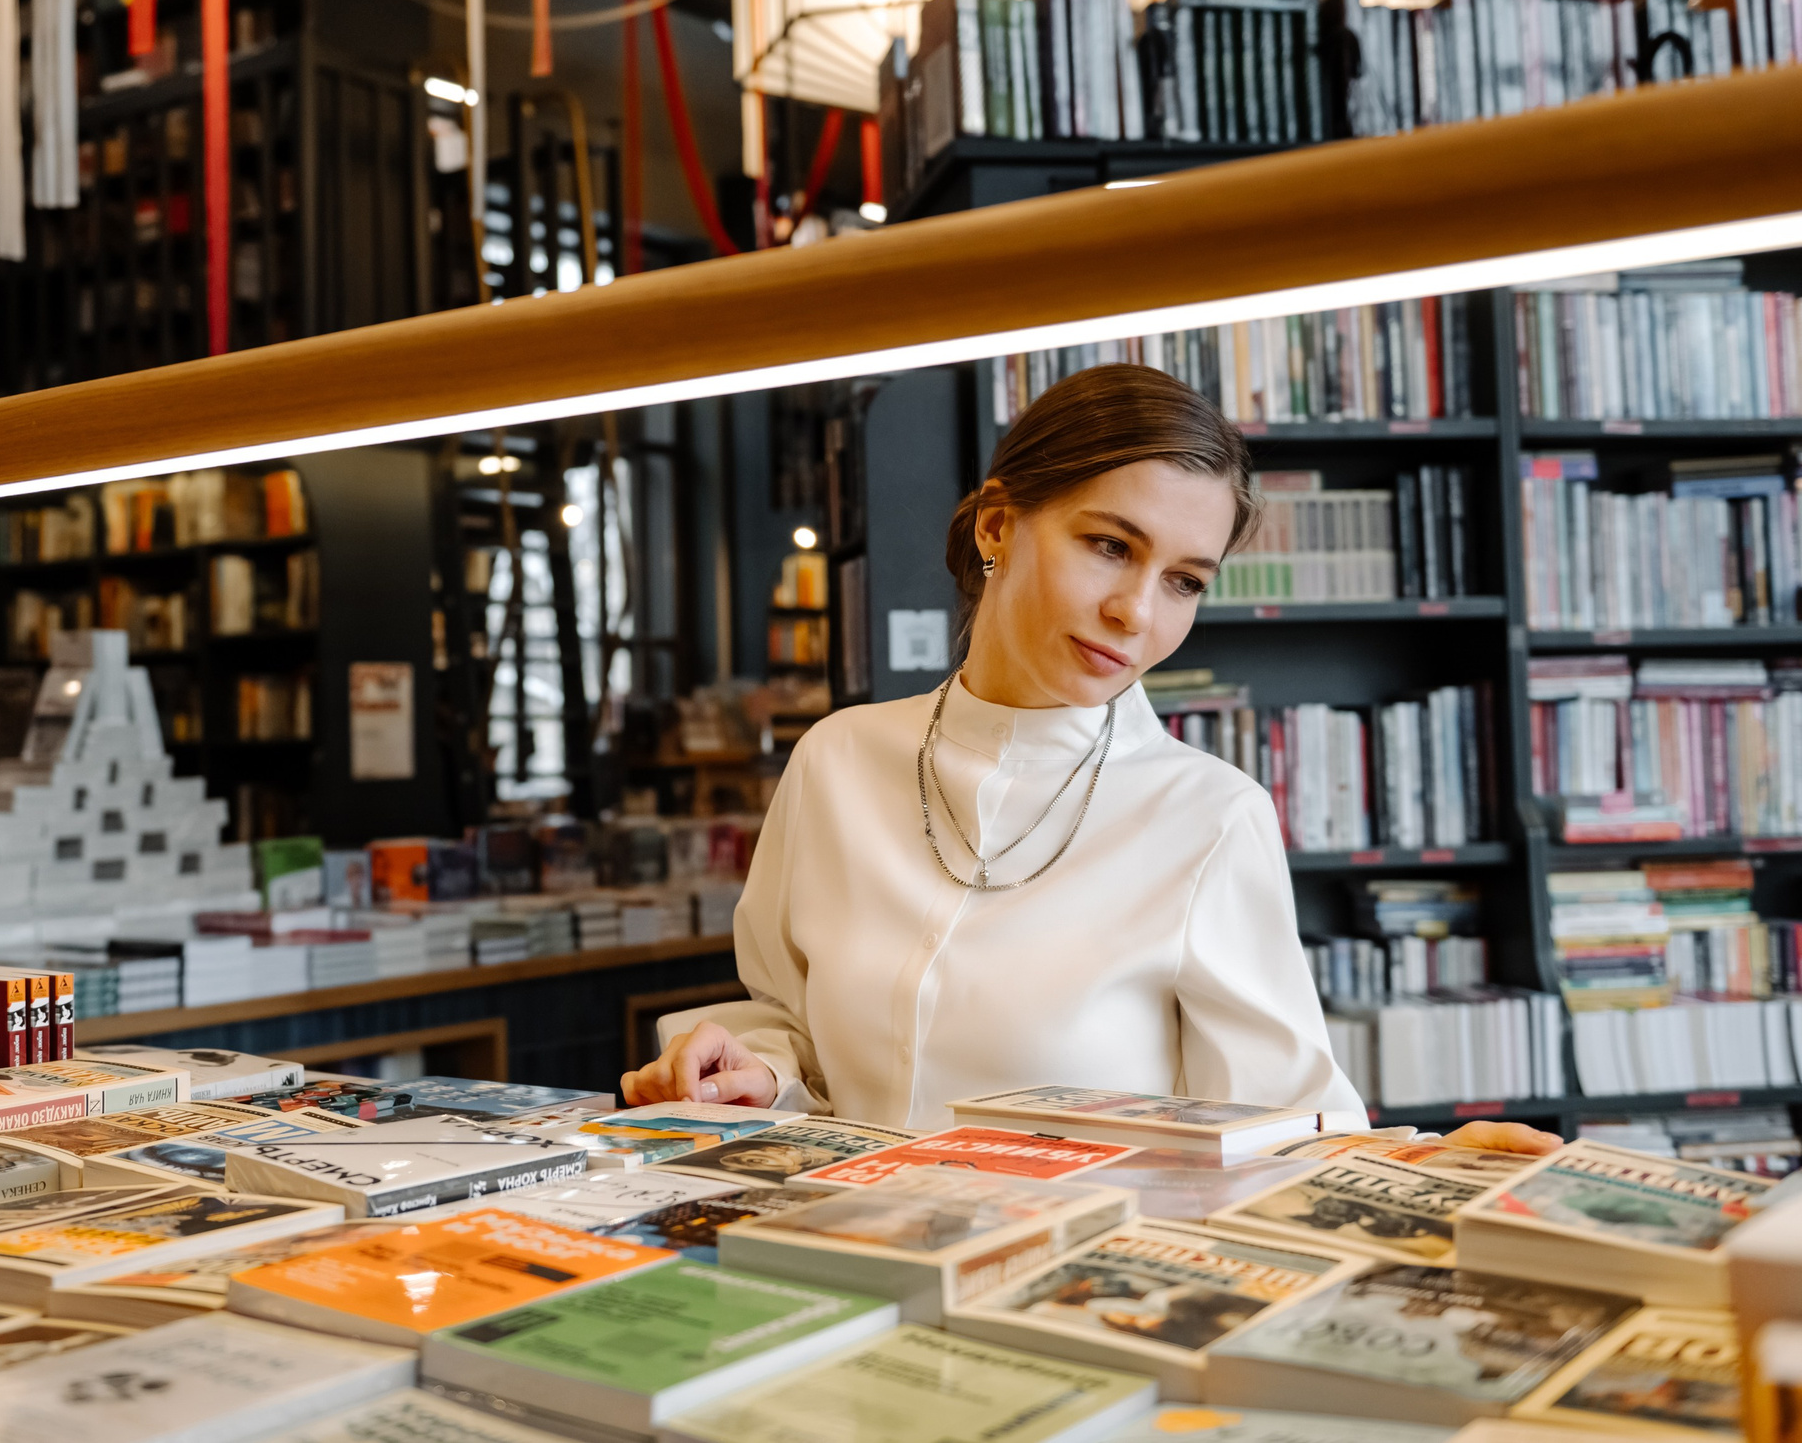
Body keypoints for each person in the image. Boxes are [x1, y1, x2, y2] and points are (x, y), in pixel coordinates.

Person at [622, 363, 1553, 1157]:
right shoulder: (836, 761)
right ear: (996, 527)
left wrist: (1419, 1169)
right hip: (840, 1278)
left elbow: (1286, 1123)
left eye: (1184, 580)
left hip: (1073, 1311)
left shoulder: (1209, 816)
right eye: (1110, 546)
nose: (1138, 613)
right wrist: (753, 1070)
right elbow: (794, 1027)